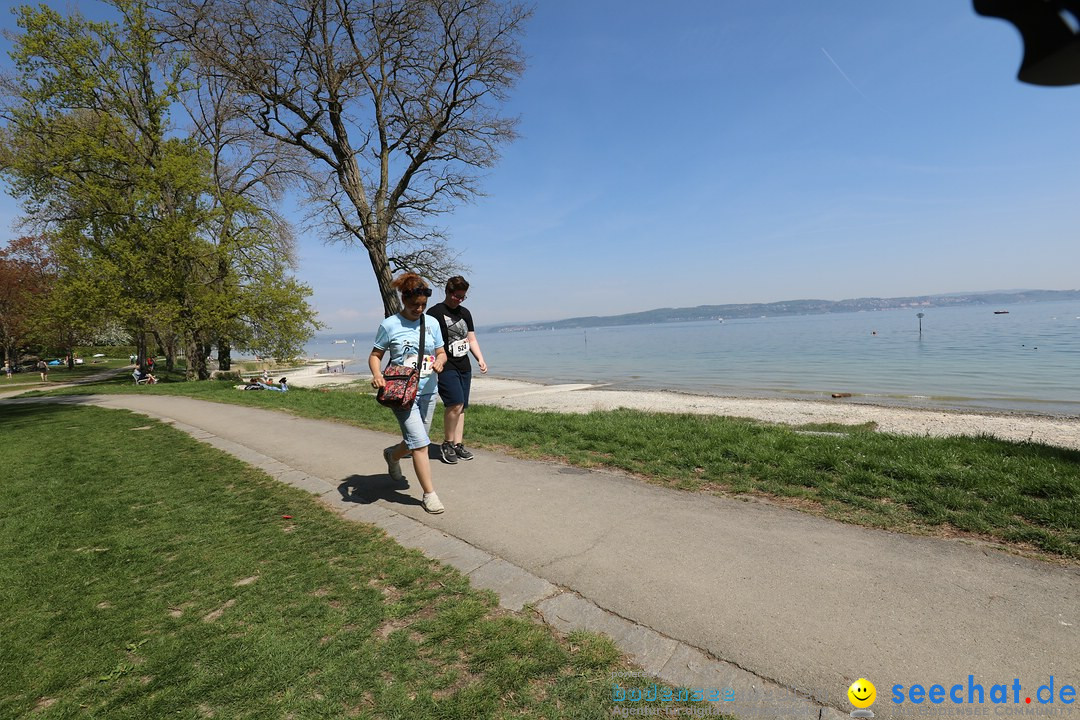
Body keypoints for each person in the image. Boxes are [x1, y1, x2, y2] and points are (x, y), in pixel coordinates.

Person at [369, 273, 448, 513]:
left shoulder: (431, 323)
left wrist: (440, 362)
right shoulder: (390, 325)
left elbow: (442, 352)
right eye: (415, 305)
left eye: (423, 305)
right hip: (401, 394)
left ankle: (393, 455)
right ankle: (429, 494)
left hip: (427, 391)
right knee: (421, 444)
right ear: (404, 299)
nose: (419, 309)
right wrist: (377, 375)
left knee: (416, 440)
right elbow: (375, 356)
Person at [427, 275, 488, 464]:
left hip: (464, 365)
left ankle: (458, 444)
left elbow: (471, 339)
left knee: (462, 407)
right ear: (448, 291)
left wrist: (480, 358)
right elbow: (427, 339)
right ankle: (447, 443)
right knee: (454, 404)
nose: (459, 300)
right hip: (445, 365)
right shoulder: (435, 313)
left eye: (463, 297)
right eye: (457, 296)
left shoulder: (465, 313)